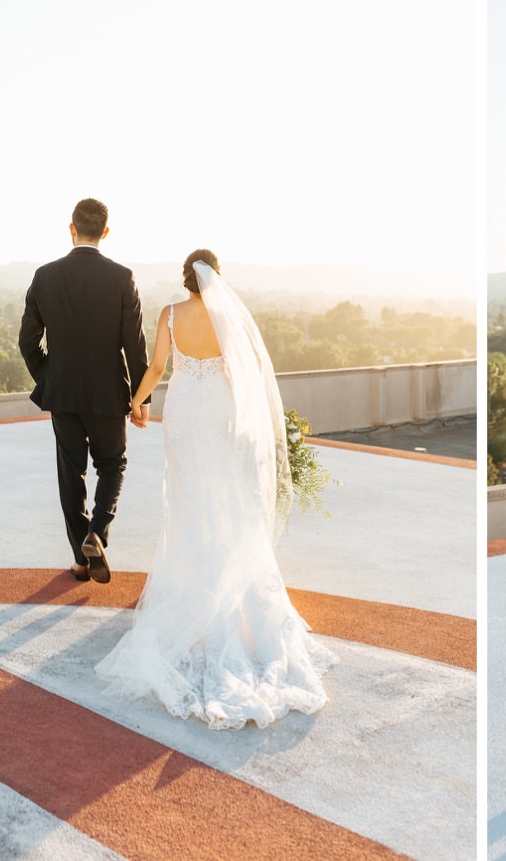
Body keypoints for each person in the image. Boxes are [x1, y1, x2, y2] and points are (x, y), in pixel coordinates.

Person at [95, 250, 334, 729]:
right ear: (215, 278)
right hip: (221, 411)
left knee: (187, 500)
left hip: (184, 411)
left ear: (185, 280)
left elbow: (158, 367)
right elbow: (246, 379)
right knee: (226, 499)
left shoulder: (169, 314)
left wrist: (135, 403)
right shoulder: (229, 317)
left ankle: (192, 588)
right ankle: (231, 590)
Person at [19, 198, 149, 583]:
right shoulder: (122, 277)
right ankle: (98, 532)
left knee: (70, 474)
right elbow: (135, 345)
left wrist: (48, 376)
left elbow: (28, 341)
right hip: (109, 393)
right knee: (113, 465)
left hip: (62, 393)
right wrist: (141, 400)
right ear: (105, 232)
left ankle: (80, 558)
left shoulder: (44, 276)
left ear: (71, 228)